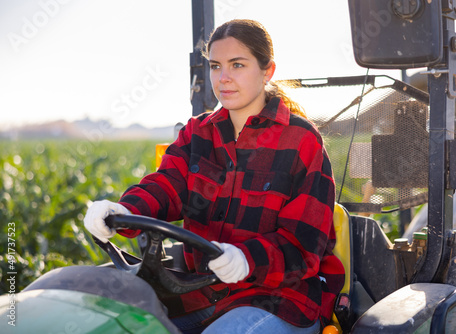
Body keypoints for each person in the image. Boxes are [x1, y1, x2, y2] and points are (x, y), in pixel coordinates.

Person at [84, 19, 344, 334]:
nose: (223, 78)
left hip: (278, 299)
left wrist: (247, 259)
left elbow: (303, 247)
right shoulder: (198, 132)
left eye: (237, 65)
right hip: (199, 293)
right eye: (215, 66)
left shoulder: (301, 141)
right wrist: (125, 210)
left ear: (267, 71)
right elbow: (167, 185)